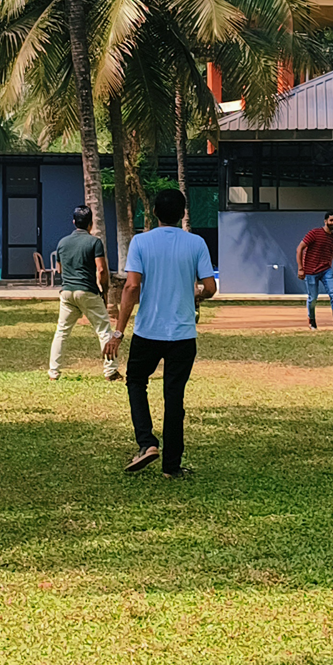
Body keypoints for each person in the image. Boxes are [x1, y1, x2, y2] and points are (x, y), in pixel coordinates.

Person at [107, 188, 216, 479]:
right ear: (182, 214)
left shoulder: (141, 242)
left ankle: (146, 443)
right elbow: (211, 287)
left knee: (136, 383)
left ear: (154, 212)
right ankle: (172, 466)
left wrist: (118, 332)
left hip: (148, 332)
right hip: (182, 334)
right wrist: (196, 296)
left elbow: (131, 287)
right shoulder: (196, 243)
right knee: (174, 397)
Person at [48, 205, 121, 381]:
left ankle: (53, 372)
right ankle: (110, 371)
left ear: (74, 222)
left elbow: (59, 269)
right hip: (87, 291)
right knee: (103, 330)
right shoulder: (94, 242)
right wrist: (104, 291)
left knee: (62, 332)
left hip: (67, 292)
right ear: (91, 223)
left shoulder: (62, 243)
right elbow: (102, 269)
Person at [296, 212, 333, 330]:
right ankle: (312, 320)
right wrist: (301, 268)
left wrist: (329, 264)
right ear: (325, 221)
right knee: (313, 298)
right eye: (331, 220)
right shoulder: (314, 233)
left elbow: (331, 252)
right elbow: (300, 248)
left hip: (326, 270)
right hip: (311, 271)